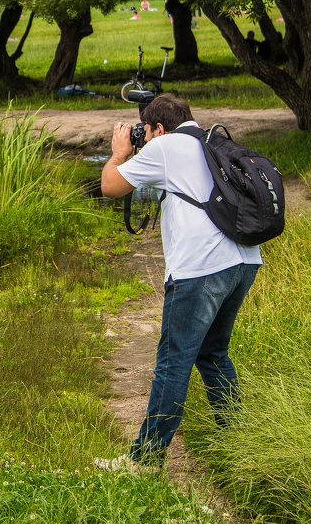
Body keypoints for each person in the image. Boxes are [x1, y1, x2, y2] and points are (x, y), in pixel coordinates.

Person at [99, 94, 262, 468]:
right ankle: (239, 440)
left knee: (173, 361)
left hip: (199, 270)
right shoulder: (211, 141)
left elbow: (110, 186)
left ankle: (144, 460)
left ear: (158, 128)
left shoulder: (167, 145)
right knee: (212, 353)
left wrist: (120, 151)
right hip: (243, 261)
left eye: (148, 132)